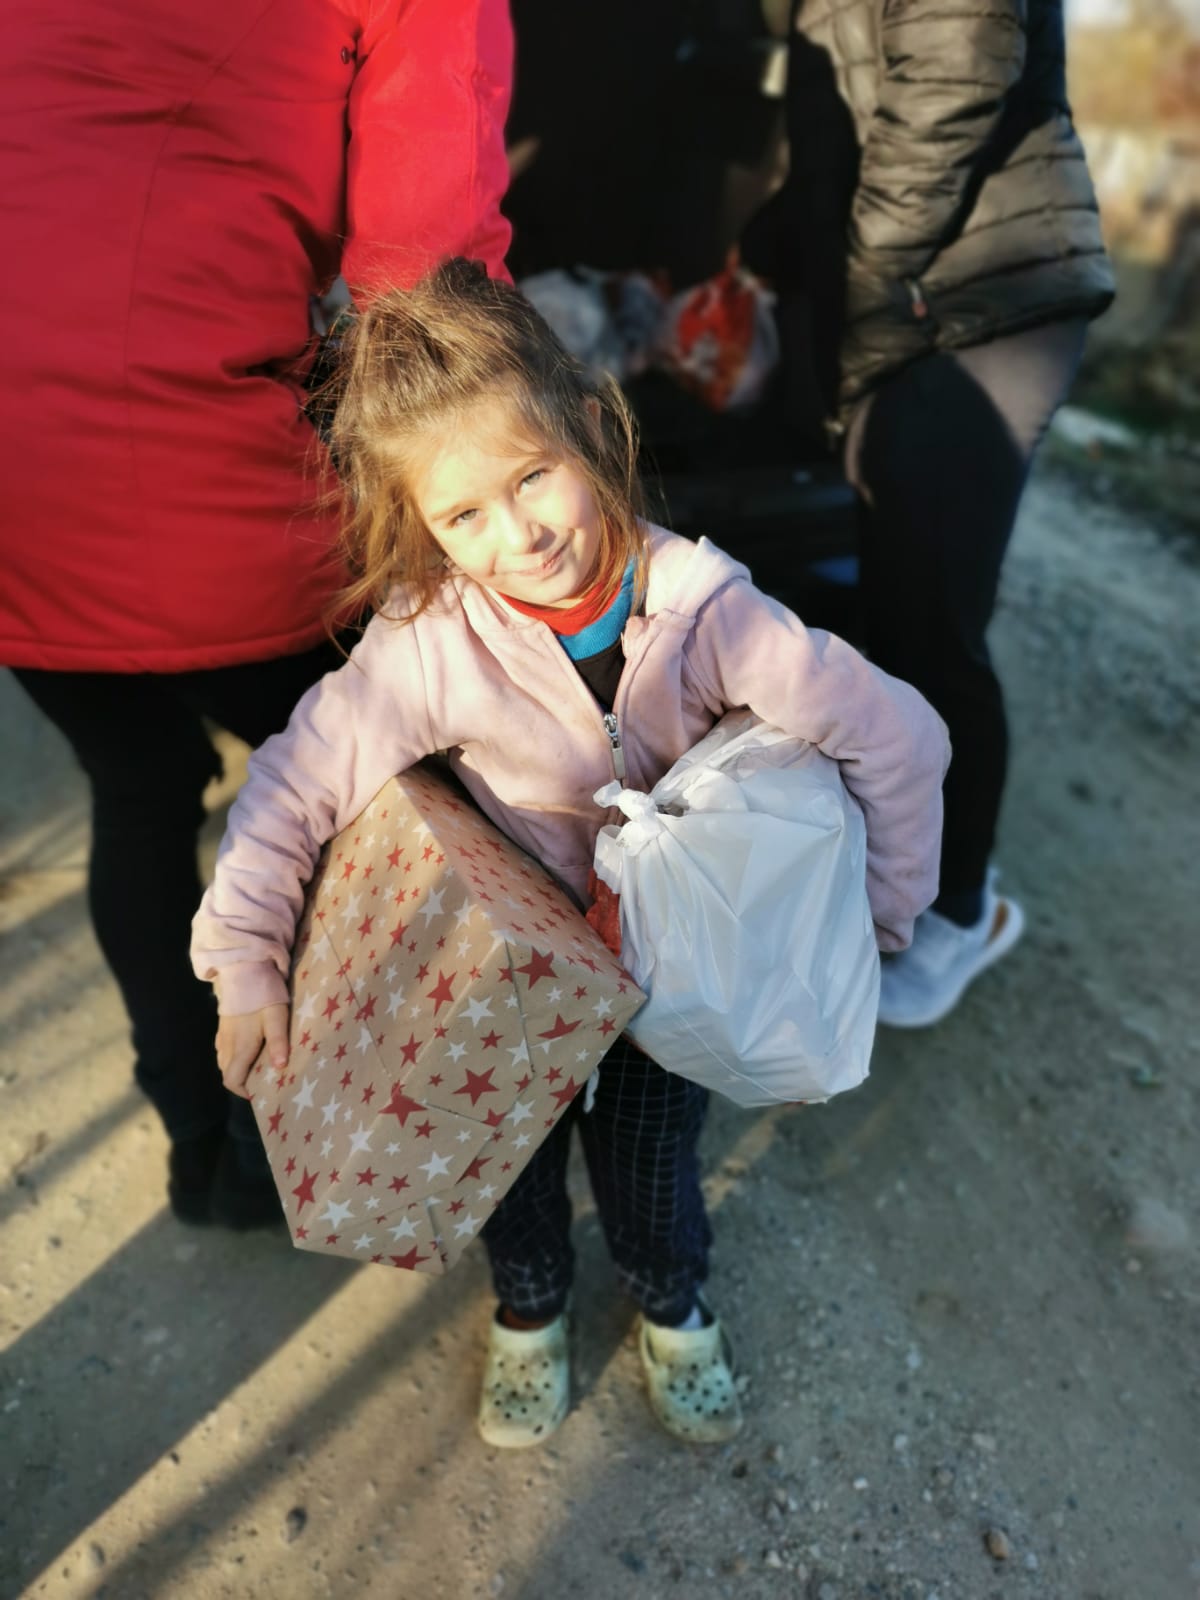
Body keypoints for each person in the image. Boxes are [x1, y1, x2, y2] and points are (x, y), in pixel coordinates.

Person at [190, 260, 950, 1447]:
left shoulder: (709, 614)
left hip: (670, 983)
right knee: (512, 1164)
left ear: (592, 427)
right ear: (422, 524)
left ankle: (670, 1299)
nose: (520, 533)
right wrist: (246, 960)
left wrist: (880, 914)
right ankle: (531, 1305)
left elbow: (899, 737)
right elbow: (293, 783)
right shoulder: (430, 645)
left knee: (653, 1161)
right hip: (518, 989)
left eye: (532, 475)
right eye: (463, 516)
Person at [0, 2, 513, 1226]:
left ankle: (199, 1144)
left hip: (18, 498)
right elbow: (427, 278)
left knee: (135, 788)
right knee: (370, 813)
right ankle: (292, 1144)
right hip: (207, 483)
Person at [744, 0, 1115, 1027]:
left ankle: (962, 914)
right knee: (895, 619)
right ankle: (896, 871)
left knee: (933, 626)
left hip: (977, 293)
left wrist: (865, 286)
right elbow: (840, 126)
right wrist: (761, 250)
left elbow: (955, 79)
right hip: (912, 296)